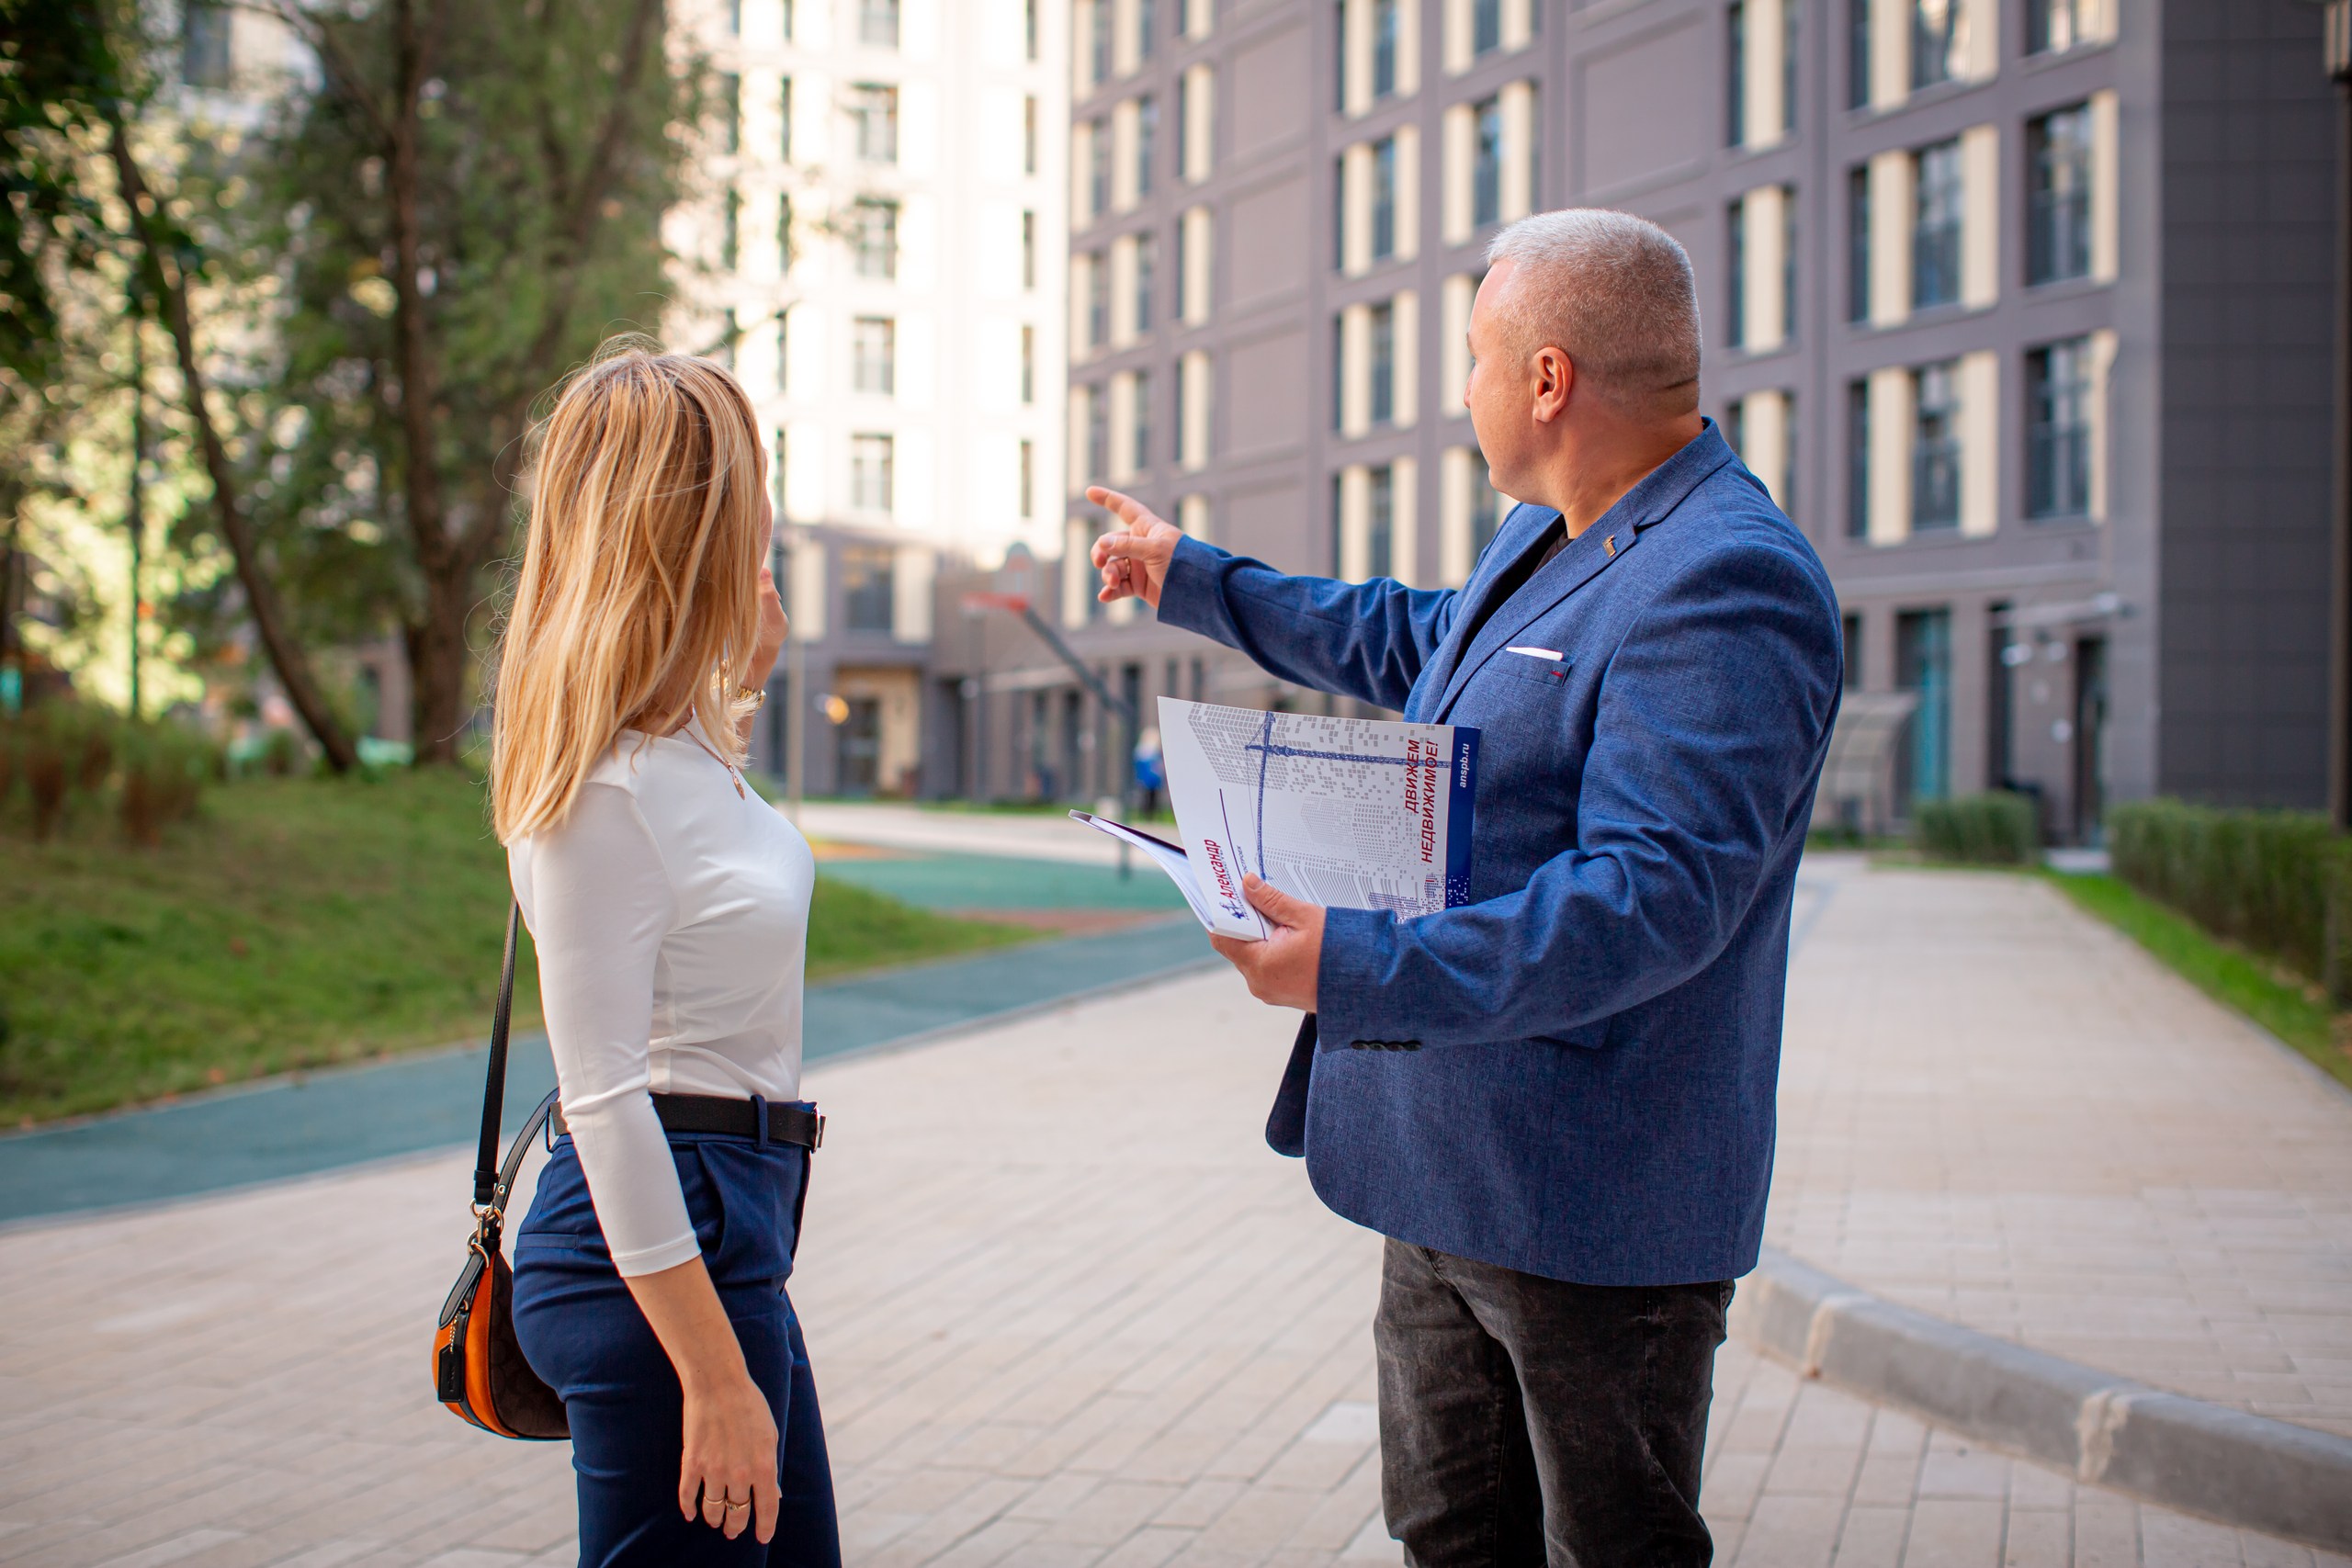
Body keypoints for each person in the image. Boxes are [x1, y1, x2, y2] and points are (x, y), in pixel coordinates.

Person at [1088, 209, 1843, 1565]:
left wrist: (1356, 966)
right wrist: (1192, 579)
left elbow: (1654, 898)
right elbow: (1416, 635)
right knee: (1446, 1535)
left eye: (1477, 356)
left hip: (1590, 1217)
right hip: (1442, 1171)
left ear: (1547, 379)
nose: (1463, 391)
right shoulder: (1549, 532)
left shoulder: (1726, 578)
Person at [491, 342, 840, 1566]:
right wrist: (715, 1376)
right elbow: (604, 1100)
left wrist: (739, 681)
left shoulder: (678, 755)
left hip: (729, 1230)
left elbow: (709, 907)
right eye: (747, 484)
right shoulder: (603, 796)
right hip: (655, 1254)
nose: (768, 510)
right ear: (679, 525)